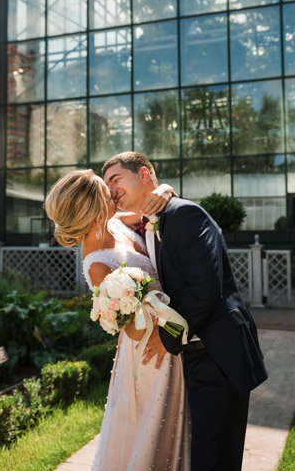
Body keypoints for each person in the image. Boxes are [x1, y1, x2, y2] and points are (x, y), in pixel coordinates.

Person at [102, 152, 268, 471]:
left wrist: (166, 338)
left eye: (116, 179)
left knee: (214, 457)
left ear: (145, 175)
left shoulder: (184, 214)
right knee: (203, 452)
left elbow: (205, 290)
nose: (111, 189)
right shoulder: (151, 224)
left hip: (218, 353)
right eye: (107, 184)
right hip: (195, 356)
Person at [44, 170, 189, 471]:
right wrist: (173, 332)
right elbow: (135, 331)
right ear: (95, 213)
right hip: (152, 351)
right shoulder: (97, 265)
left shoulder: (117, 223)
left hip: (171, 335)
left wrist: (165, 190)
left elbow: (155, 208)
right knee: (156, 433)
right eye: (107, 193)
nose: (114, 192)